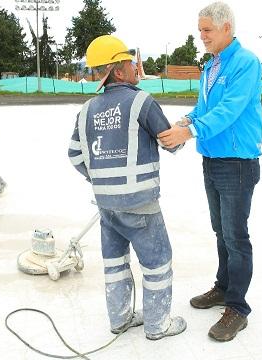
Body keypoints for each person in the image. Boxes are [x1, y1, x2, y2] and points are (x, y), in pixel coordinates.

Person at [68, 35, 186, 341]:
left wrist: (103, 178)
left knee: (115, 264)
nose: (136, 66)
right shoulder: (140, 102)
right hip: (140, 204)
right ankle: (158, 325)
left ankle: (119, 319)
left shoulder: (86, 110)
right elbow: (169, 141)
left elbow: (75, 156)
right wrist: (188, 130)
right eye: (130, 61)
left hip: (107, 206)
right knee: (157, 263)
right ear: (118, 70)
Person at [158, 1, 262, 342]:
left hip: (237, 163)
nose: (201, 36)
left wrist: (189, 132)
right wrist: (185, 122)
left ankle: (238, 308)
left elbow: (230, 109)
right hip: (213, 160)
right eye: (200, 29)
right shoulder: (210, 66)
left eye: (207, 30)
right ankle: (223, 287)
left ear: (226, 28)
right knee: (221, 231)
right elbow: (206, 108)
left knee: (236, 235)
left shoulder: (244, 63)